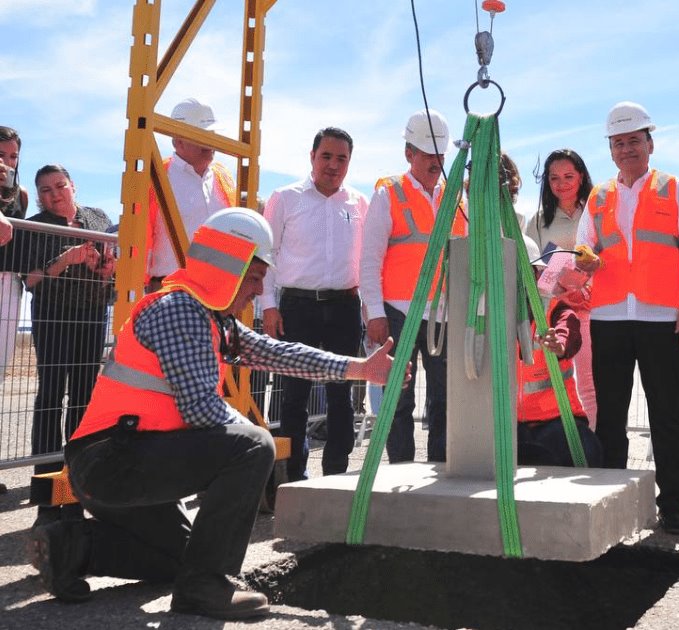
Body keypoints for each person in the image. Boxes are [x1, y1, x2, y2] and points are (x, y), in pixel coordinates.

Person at [28, 208, 394, 619]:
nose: (258, 291)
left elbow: (279, 353)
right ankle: (204, 589)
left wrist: (359, 369)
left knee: (185, 555)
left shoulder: (211, 319)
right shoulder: (180, 311)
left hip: (122, 463)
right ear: (231, 267)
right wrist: (256, 454)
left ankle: (71, 547)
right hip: (111, 461)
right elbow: (201, 409)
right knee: (253, 445)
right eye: (255, 277)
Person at [575, 101, 679, 535]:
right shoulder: (598, 196)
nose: (627, 149)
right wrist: (586, 263)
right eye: (619, 143)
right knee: (610, 415)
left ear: (650, 144)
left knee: (666, 414)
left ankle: (670, 504)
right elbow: (583, 250)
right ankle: (612, 497)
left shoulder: (674, 188)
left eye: (634, 140)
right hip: (610, 316)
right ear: (610, 151)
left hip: (661, 318)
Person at [261, 127, 368, 480]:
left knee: (341, 396)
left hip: (344, 308)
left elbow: (367, 260)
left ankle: (336, 474)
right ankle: (292, 476)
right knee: (294, 396)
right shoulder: (285, 198)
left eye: (342, 158)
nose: (333, 165)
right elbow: (266, 254)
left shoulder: (359, 203)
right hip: (298, 308)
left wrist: (371, 308)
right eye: (326, 156)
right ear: (312, 156)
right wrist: (268, 306)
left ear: (350, 162)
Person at [361, 109, 465, 463]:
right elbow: (370, 259)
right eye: (427, 154)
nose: (435, 161)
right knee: (398, 399)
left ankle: (439, 471)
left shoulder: (457, 199)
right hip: (397, 313)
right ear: (409, 154)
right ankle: (399, 469)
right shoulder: (388, 194)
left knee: (444, 399)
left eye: (440, 155)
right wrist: (375, 313)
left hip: (443, 314)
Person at [20, 165, 114, 526]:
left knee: (85, 399)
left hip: (91, 318)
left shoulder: (98, 217)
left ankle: (78, 483)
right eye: (45, 190)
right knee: (50, 398)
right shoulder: (34, 226)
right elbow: (29, 281)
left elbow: (112, 268)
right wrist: (65, 260)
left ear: (73, 186)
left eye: (60, 186)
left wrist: (105, 269)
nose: (54, 194)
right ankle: (46, 491)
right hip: (54, 320)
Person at [516, 236, 603, 467]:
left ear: (537, 274)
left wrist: (560, 345)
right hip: (510, 424)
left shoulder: (554, 310)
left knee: (586, 451)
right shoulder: (489, 317)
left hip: (556, 420)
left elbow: (569, 330)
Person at [525, 149, 597, 424]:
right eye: (554, 177)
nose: (561, 183)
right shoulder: (538, 221)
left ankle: (591, 445)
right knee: (557, 380)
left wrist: (585, 290)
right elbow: (531, 266)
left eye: (568, 176)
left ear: (581, 176)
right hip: (553, 312)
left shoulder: (595, 212)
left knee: (588, 383)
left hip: (589, 309)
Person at [146, 98, 238, 289]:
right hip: (169, 290)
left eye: (212, 134)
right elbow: (140, 237)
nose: (210, 142)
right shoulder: (156, 176)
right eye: (202, 135)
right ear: (178, 140)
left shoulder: (224, 178)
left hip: (218, 290)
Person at [0, 126, 29, 391]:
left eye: (13, 156)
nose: (7, 162)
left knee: (1, 358)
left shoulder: (22, 194)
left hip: (9, 282)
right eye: (1, 155)